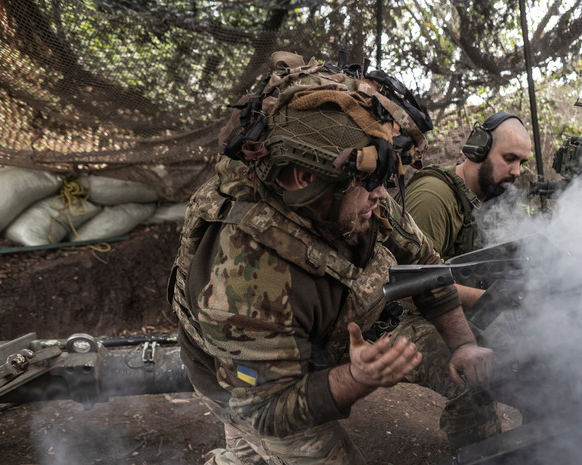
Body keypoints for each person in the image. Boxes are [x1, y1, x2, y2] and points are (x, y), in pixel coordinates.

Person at [168, 51, 497, 464]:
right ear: (304, 178)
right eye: (370, 183)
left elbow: (428, 267)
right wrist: (357, 378)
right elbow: (267, 408)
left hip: (324, 338)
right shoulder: (244, 275)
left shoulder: (358, 192)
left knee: (469, 370)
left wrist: (463, 345)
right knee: (263, 436)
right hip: (250, 382)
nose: (383, 196)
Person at [402, 112, 532, 258]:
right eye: (509, 158)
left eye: (521, 163)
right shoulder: (432, 198)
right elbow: (413, 277)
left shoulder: (486, 198)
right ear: (479, 149)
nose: (517, 171)